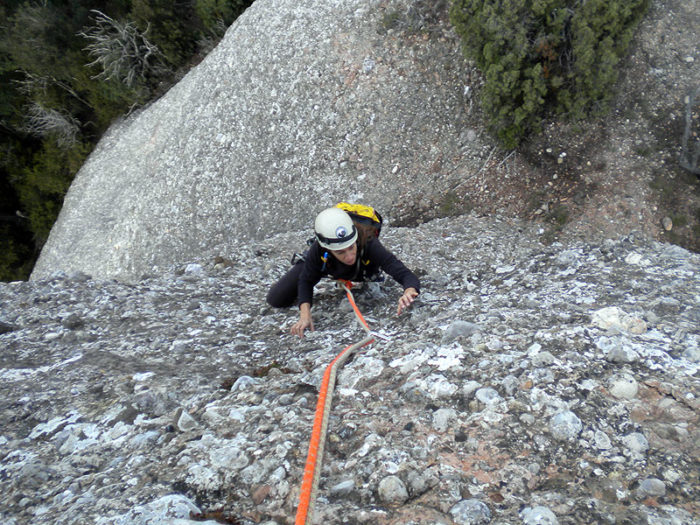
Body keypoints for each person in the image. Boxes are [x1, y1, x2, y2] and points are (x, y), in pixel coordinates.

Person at [267, 207, 420, 337]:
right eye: (341, 252)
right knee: (276, 298)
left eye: (351, 248)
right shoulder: (319, 250)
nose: (349, 256)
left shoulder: (368, 242)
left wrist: (409, 290)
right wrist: (305, 314)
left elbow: (403, 273)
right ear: (327, 248)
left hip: (361, 269)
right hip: (328, 264)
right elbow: (306, 280)